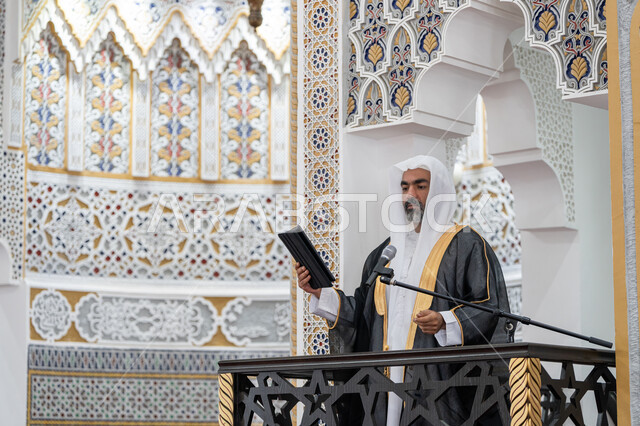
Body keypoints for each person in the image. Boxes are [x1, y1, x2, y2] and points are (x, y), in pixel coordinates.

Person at [296, 155, 510, 425]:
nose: (410, 194)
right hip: (384, 384)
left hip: (438, 387)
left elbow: (490, 308)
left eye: (420, 186)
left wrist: (445, 321)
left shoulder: (466, 245)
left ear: (440, 192)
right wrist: (319, 293)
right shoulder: (386, 251)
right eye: (405, 187)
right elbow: (363, 314)